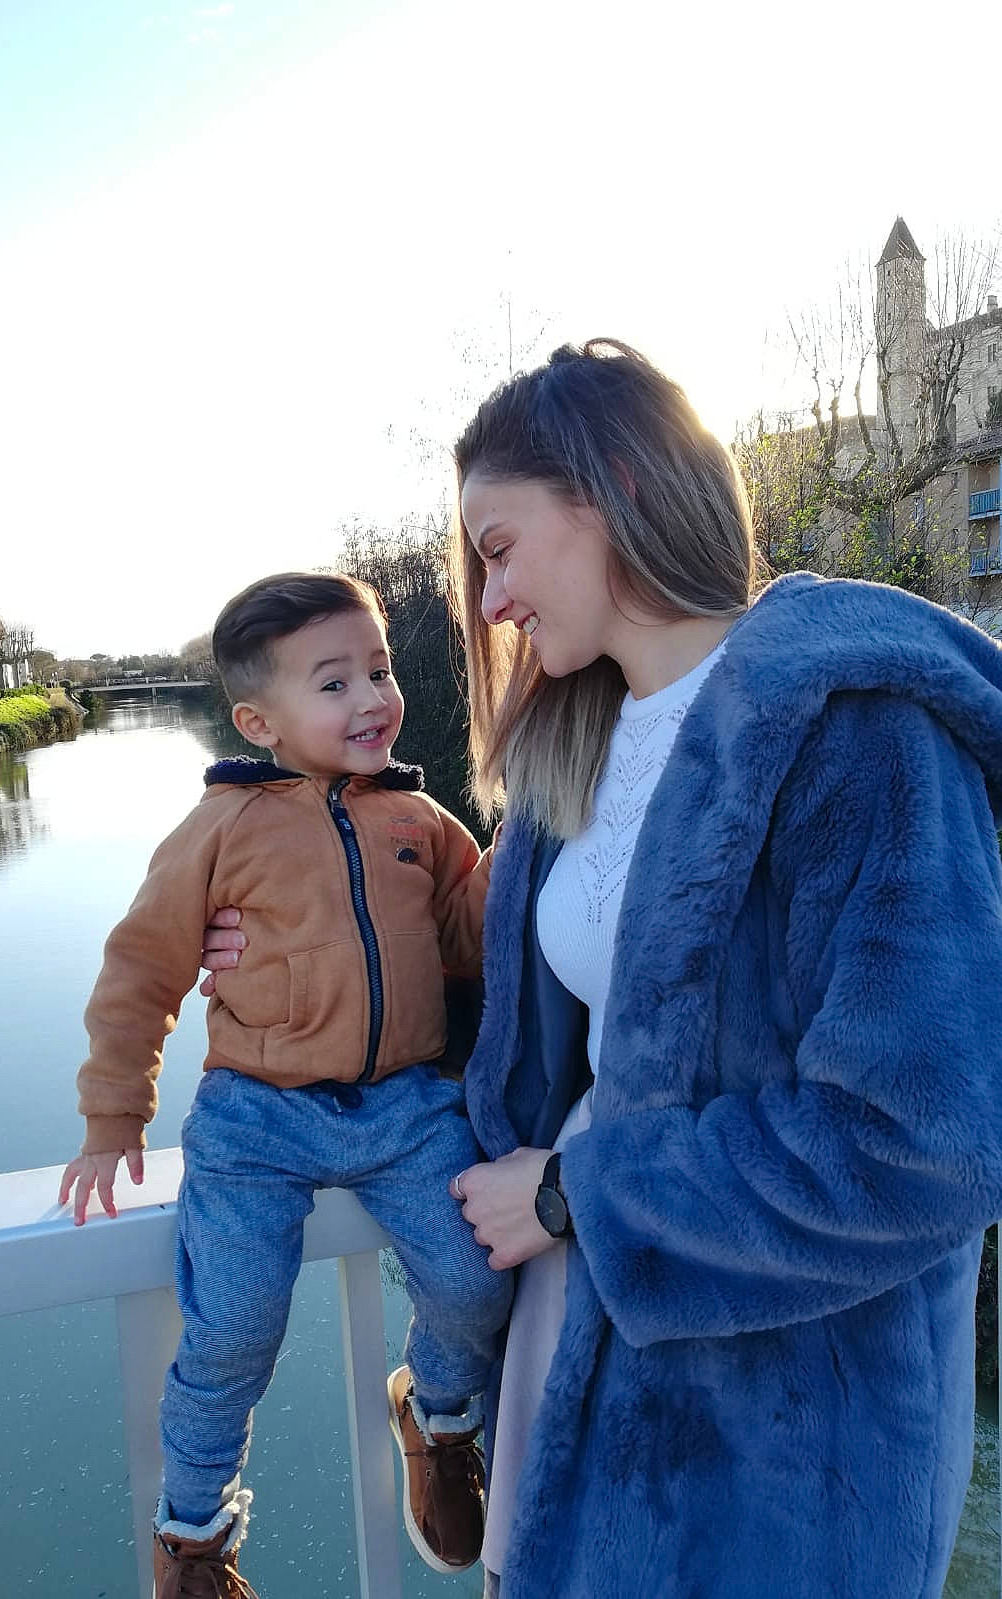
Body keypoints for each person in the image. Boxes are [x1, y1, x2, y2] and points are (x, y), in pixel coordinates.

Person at [201, 341, 1002, 1598]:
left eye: (500, 545)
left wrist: (586, 1194)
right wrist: (292, 962)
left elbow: (925, 1143)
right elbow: (534, 1022)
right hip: (572, 1341)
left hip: (783, 1429)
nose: (489, 599)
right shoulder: (576, 749)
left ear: (615, 484)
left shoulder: (862, 733)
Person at [59, 572, 510, 1599]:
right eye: (335, 682)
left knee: (475, 1280)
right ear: (259, 720)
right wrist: (110, 1115)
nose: (372, 699)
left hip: (403, 1108)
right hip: (257, 1116)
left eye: (381, 671)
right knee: (234, 1324)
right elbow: (141, 968)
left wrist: (514, 841)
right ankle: (193, 1537)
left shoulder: (420, 818)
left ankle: (438, 1417)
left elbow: (467, 942)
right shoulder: (220, 828)